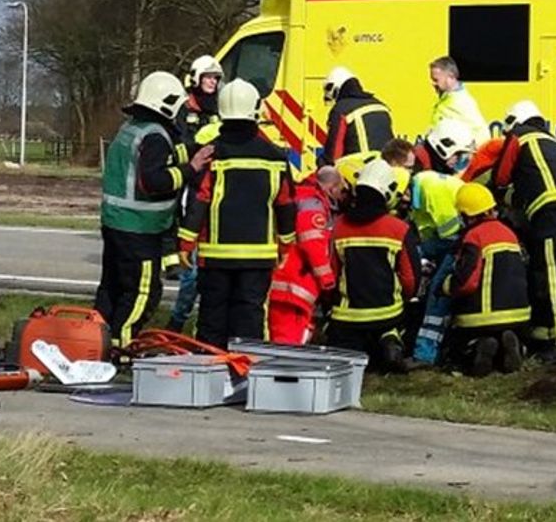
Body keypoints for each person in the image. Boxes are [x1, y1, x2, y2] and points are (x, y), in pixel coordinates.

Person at [96, 72, 212, 349]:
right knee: (142, 293)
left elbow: (169, 155)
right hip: (140, 229)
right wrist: (191, 169)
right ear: (167, 103)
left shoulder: (132, 129)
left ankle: (97, 340)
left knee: (111, 289)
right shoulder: (155, 136)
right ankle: (121, 347)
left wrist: (196, 151)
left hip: (116, 225)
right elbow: (153, 180)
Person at [178, 79, 295, 349]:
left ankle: (209, 369)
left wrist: (186, 242)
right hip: (259, 257)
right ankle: (246, 373)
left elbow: (199, 200)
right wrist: (286, 244)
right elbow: (285, 203)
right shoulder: (275, 156)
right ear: (255, 110)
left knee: (212, 317)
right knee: (250, 317)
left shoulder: (211, 153)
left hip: (216, 256)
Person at [492, 100, 556, 364]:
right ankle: (545, 334)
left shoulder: (519, 136)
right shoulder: (553, 142)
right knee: (547, 270)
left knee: (553, 275)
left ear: (514, 121)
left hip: (550, 209)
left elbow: (500, 177)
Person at [327, 159, 420, 372]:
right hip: (388, 312)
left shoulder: (339, 226)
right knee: (405, 319)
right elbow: (410, 278)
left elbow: (332, 271)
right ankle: (391, 339)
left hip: (347, 316)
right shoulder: (398, 228)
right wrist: (406, 297)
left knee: (348, 354)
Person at [442, 182, 529, 377]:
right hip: (518, 313)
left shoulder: (474, 236)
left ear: (467, 215)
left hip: (481, 314)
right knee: (500, 335)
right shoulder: (510, 233)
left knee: (457, 347)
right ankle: (513, 346)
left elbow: (467, 282)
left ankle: (477, 348)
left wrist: (446, 286)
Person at [165, 55, 223, 332]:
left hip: (215, 186)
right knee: (191, 268)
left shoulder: (219, 110)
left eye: (216, 78)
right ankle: (177, 322)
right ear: (196, 79)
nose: (213, 82)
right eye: (208, 77)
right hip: (191, 186)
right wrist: (196, 144)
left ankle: (204, 326)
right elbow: (176, 146)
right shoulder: (183, 108)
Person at [408, 119, 474, 364]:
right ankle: (426, 353)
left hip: (435, 248)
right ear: (444, 149)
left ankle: (425, 352)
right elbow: (450, 232)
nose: (462, 161)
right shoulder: (439, 184)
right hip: (449, 249)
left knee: (431, 301)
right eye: (459, 155)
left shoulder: (426, 179)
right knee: (438, 300)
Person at [268, 165, 344, 345]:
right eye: (341, 190)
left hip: (283, 276)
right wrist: (327, 280)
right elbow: (313, 243)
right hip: (294, 283)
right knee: (290, 337)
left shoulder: (301, 196)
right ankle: (286, 371)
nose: (342, 195)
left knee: (280, 332)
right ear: (331, 187)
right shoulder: (313, 204)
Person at [321, 67, 394, 165]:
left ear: (337, 88)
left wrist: (323, 163)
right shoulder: (381, 106)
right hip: (387, 169)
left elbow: (334, 153)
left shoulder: (341, 110)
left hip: (360, 171)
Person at [429, 56, 490, 146]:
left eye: (436, 80)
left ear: (451, 77)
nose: (433, 84)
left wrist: (467, 154)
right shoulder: (448, 97)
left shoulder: (461, 101)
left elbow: (481, 132)